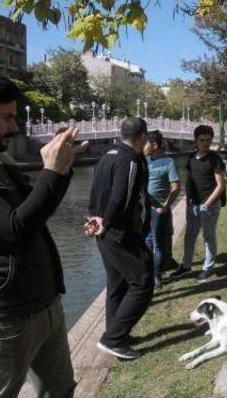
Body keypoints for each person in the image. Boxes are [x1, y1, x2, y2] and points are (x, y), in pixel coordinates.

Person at [0, 72, 86, 397]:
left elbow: (37, 212)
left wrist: (62, 170)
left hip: (44, 304)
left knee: (60, 390)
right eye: (7, 117)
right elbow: (15, 229)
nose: (14, 127)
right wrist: (52, 172)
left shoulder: (0, 161)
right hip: (7, 319)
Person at [87, 117, 153, 360]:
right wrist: (108, 221)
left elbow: (95, 191)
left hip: (103, 230)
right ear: (143, 137)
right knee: (142, 281)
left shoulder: (107, 156)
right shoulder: (130, 159)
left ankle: (116, 334)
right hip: (119, 232)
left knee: (118, 283)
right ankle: (112, 338)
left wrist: (93, 218)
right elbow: (120, 198)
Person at [170, 125, 225, 282]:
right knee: (189, 236)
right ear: (196, 140)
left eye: (208, 140)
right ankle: (186, 265)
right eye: (202, 140)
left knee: (208, 237)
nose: (206, 143)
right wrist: (188, 203)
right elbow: (189, 183)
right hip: (193, 205)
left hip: (210, 205)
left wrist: (207, 205)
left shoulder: (215, 159)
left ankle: (208, 268)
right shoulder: (191, 158)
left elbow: (220, 185)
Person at [143, 130, 180, 288]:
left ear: (155, 145)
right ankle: (147, 272)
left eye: (146, 143)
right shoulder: (144, 160)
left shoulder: (168, 162)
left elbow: (176, 187)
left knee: (157, 242)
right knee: (147, 241)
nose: (143, 146)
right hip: (144, 209)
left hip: (158, 210)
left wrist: (165, 206)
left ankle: (156, 275)